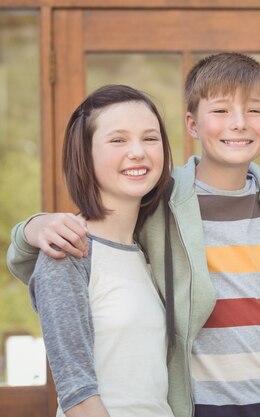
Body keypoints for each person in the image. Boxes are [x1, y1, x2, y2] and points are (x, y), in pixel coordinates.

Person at [6, 53, 260, 417]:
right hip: (195, 404)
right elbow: (74, 249)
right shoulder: (160, 201)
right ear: (191, 122)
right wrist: (33, 227)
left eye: (254, 111)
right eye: (221, 111)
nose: (238, 124)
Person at [28, 84, 174, 417]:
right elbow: (77, 395)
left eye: (150, 139)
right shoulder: (67, 252)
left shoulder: (146, 252)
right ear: (85, 154)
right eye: (118, 140)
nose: (137, 152)